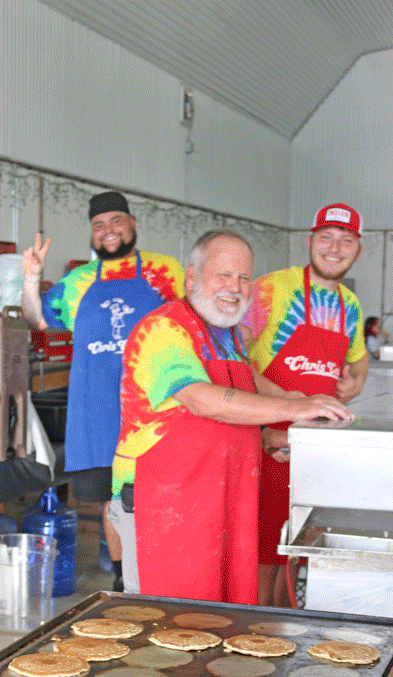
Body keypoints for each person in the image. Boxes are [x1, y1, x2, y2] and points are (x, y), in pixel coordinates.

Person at [111, 229, 352, 602]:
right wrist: (296, 407)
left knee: (219, 618)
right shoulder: (164, 329)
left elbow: (245, 385)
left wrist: (275, 431)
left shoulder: (230, 336)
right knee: (168, 621)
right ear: (192, 277)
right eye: (223, 275)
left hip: (218, 501)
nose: (235, 288)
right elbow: (202, 400)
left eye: (243, 278)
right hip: (162, 503)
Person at [21, 191, 184, 590]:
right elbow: (37, 318)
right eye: (99, 225)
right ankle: (124, 581)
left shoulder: (165, 272)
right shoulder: (79, 281)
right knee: (113, 501)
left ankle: (163, 578)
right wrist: (31, 279)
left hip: (156, 411)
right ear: (91, 234)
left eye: (116, 222)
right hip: (97, 414)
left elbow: (193, 324)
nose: (108, 231)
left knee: (161, 496)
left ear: (132, 224)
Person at [246, 203, 368, 606]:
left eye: (345, 240)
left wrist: (355, 381)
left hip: (315, 451)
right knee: (264, 554)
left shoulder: (350, 305)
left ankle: (284, 625)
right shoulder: (269, 289)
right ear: (309, 241)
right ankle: (258, 629)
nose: (334, 248)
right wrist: (285, 404)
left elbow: (359, 360)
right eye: (325, 237)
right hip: (268, 443)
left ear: (358, 249)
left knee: (297, 551)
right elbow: (232, 358)